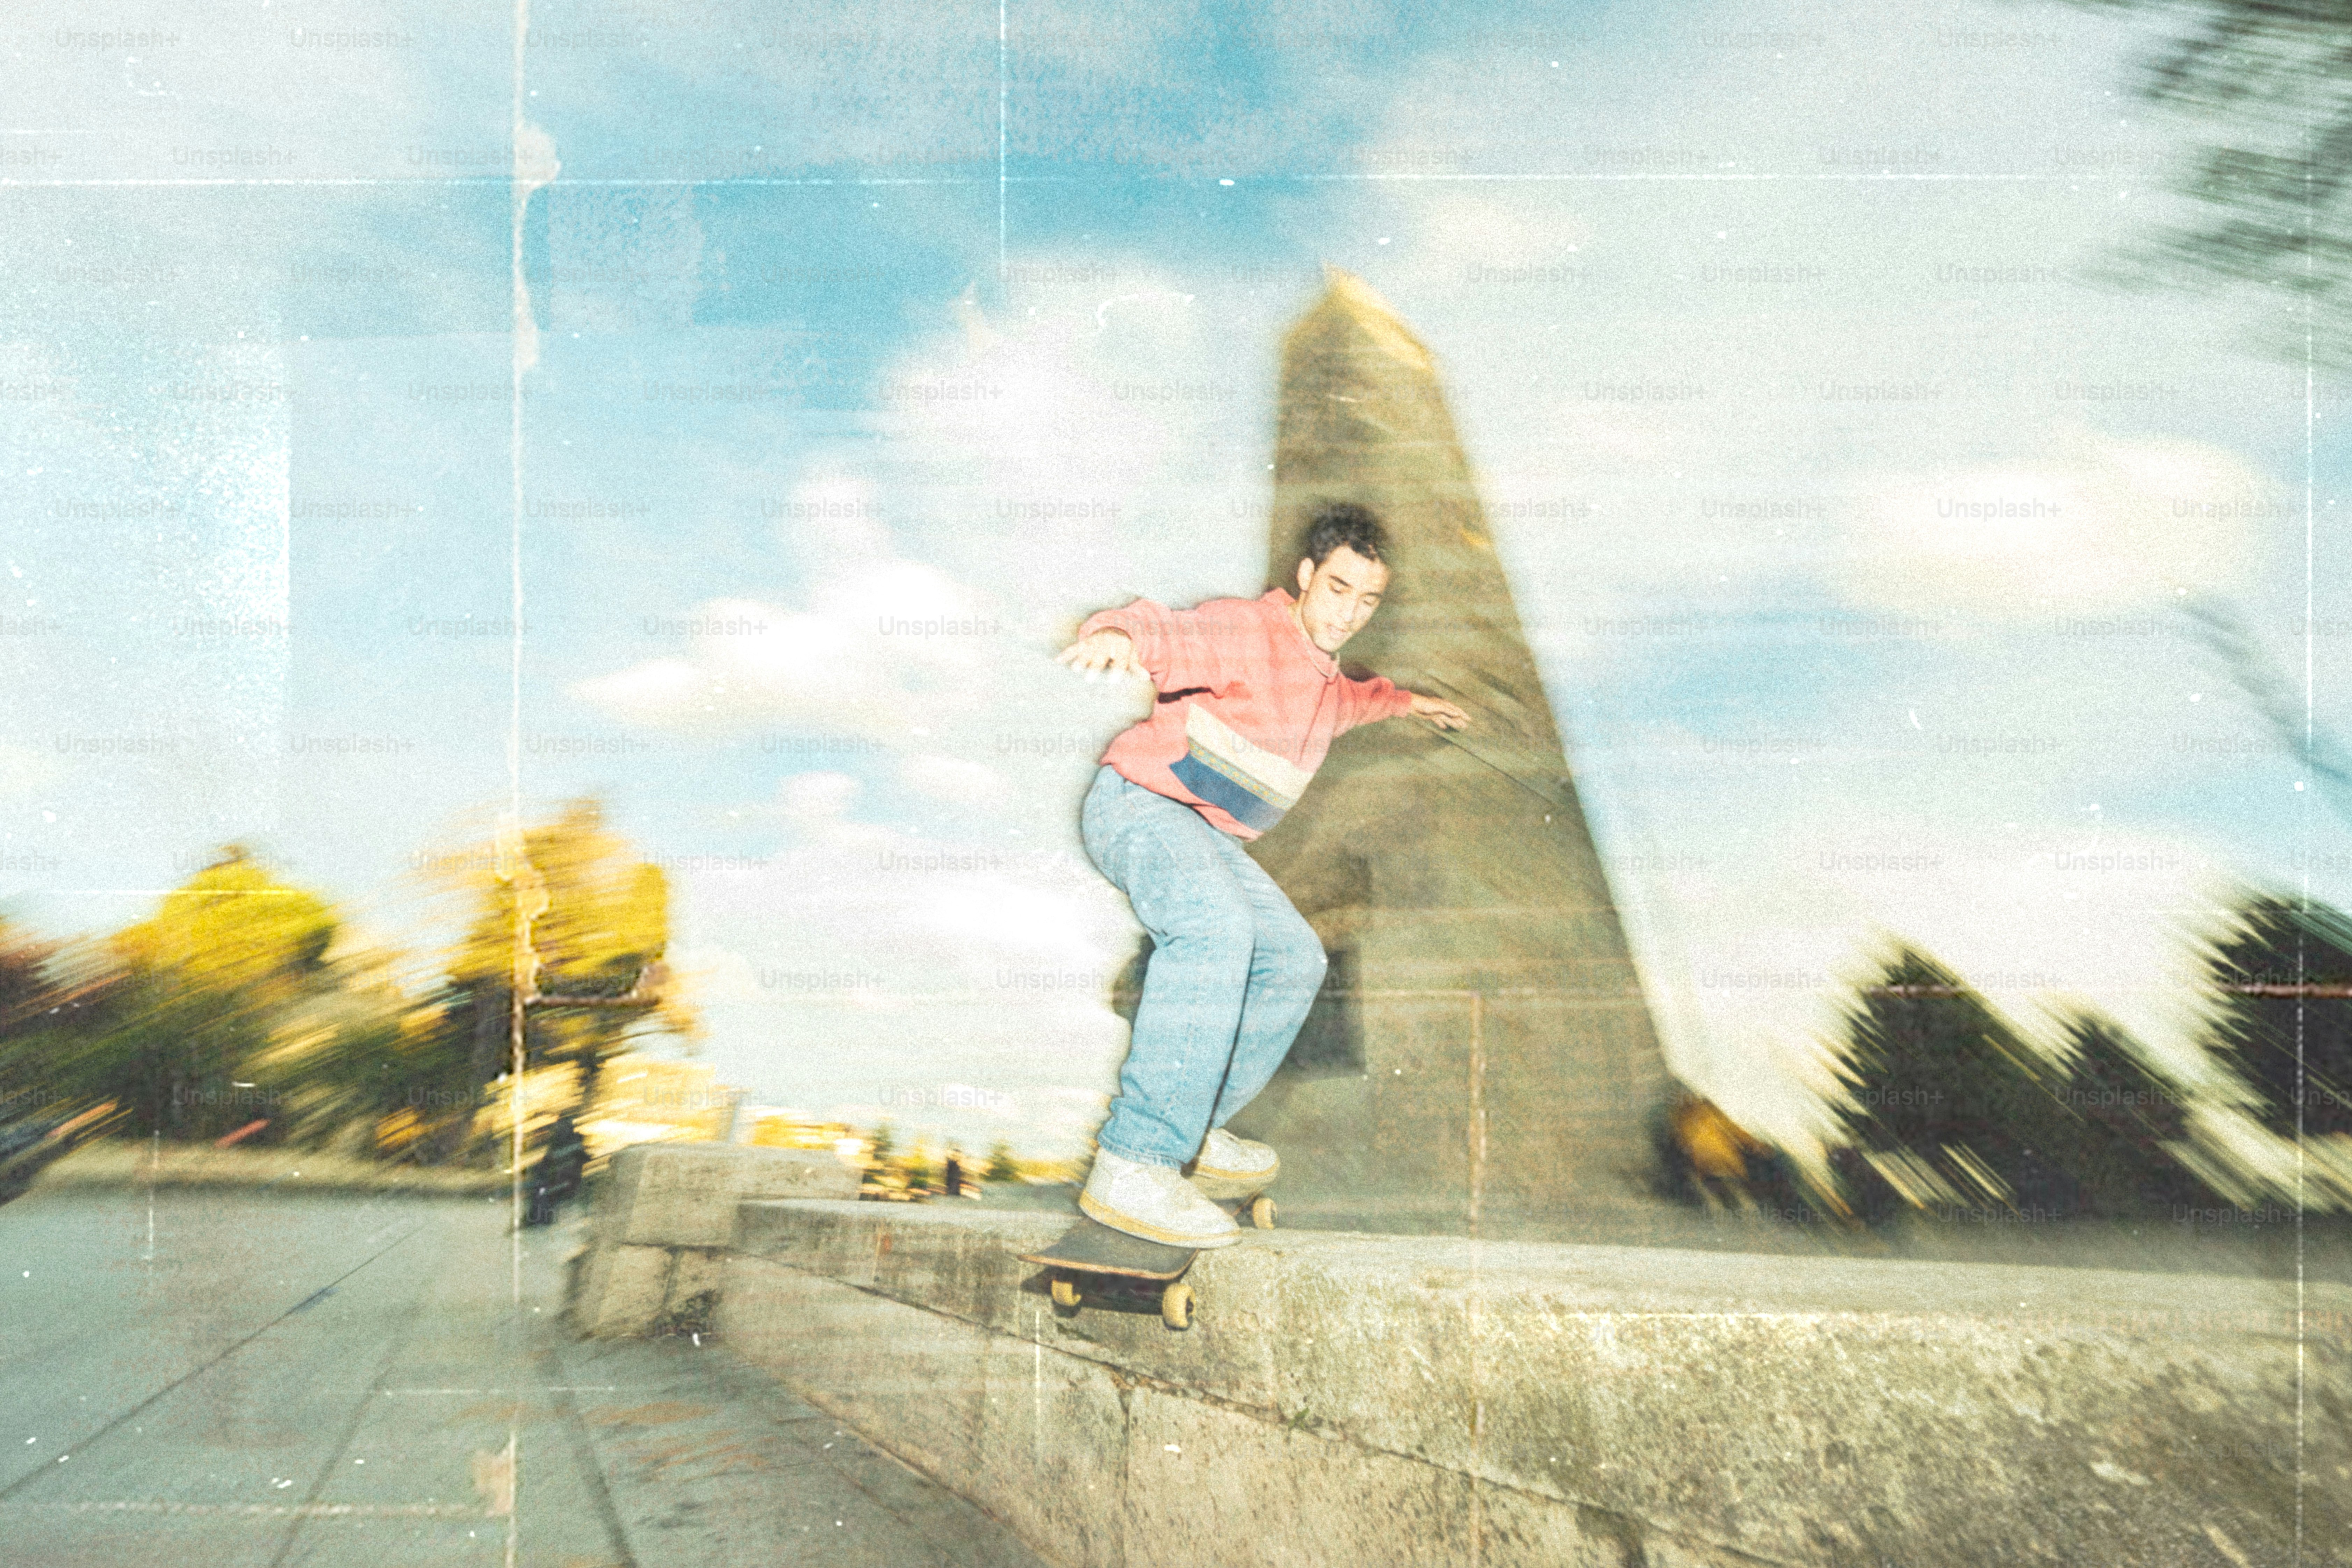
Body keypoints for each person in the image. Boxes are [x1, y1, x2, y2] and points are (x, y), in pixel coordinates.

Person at [1058, 502, 1469, 1246]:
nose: (1348, 614)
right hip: (1139, 804)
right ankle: (1136, 1158)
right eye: (1338, 589)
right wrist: (1116, 634)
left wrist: (1412, 704)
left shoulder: (1328, 686)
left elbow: (1362, 699)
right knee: (1216, 929)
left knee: (1292, 958)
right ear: (1307, 576)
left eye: (1367, 599)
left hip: (1206, 836)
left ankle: (1195, 1121)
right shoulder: (1252, 631)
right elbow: (1171, 631)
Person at [524, 1112, 588, 1227]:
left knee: (541, 1189)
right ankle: (537, 1217)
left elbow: (551, 1161)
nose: (559, 1128)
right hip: (559, 1179)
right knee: (540, 1187)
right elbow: (548, 1160)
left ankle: (539, 1218)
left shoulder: (569, 1142)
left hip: (566, 1182)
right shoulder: (562, 1142)